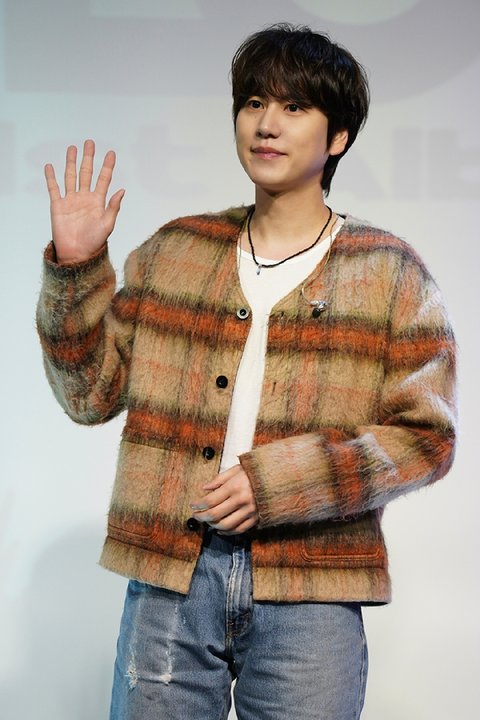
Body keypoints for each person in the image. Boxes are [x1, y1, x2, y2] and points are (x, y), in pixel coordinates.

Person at [36, 23, 457, 720]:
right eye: (254, 102)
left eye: (294, 107)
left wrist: (281, 483)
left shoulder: (389, 272)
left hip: (312, 585)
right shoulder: (176, 250)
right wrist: (77, 270)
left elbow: (427, 438)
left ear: (338, 136)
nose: (267, 123)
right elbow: (89, 394)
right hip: (171, 574)